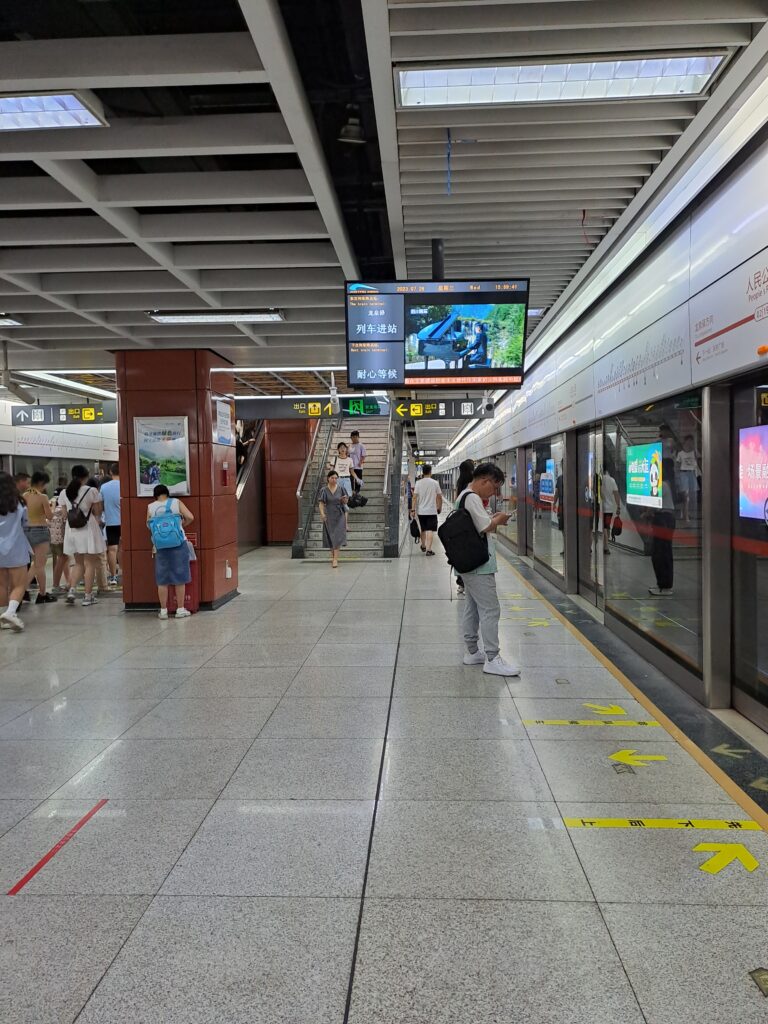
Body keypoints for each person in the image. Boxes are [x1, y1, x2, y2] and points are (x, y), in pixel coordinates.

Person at [456, 463, 519, 676]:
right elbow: (484, 527)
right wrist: (499, 520)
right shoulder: (472, 497)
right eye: (494, 487)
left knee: (472, 607)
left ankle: (473, 651)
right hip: (478, 564)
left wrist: (493, 519)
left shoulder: (463, 495)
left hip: (467, 562)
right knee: (491, 609)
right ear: (485, 480)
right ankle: (492, 657)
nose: (494, 492)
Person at [58, 465, 106, 607]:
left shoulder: (64, 492)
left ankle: (72, 590)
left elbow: (64, 514)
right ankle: (87, 596)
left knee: (78, 563)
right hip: (87, 529)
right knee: (89, 563)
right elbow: (97, 512)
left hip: (72, 530)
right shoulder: (91, 491)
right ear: (86, 476)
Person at [147, 484, 194, 619]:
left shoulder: (151, 507)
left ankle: (163, 611)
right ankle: (180, 609)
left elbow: (148, 525)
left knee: (162, 579)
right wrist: (180, 525)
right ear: (167, 493)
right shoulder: (176, 502)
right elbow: (190, 517)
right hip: (179, 543)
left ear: (155, 495)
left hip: (160, 546)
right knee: (180, 576)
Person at [0, 471, 33, 630]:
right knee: (19, 584)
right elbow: (25, 524)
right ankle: (10, 612)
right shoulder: (19, 503)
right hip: (15, 547)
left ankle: (1, 615)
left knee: (1, 584)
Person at [23, 471, 56, 603]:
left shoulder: (24, 495)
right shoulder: (42, 497)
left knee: (35, 564)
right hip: (40, 530)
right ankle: (32, 592)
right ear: (41, 483)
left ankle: (37, 592)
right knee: (39, 565)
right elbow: (50, 516)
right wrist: (52, 506)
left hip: (27, 531)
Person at [649, 457, 676, 597]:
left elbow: (653, 502)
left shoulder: (662, 485)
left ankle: (665, 586)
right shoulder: (666, 484)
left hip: (664, 519)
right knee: (658, 553)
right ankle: (662, 583)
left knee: (662, 553)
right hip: (664, 518)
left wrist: (646, 511)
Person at [318, 469, 348, 569]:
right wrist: (322, 514)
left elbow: (345, 501)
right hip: (329, 515)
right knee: (330, 537)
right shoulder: (324, 490)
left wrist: (344, 500)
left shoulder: (341, 488)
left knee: (337, 537)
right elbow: (321, 503)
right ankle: (333, 557)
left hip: (339, 515)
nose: (334, 480)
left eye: (336, 478)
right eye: (332, 478)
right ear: (328, 478)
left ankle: (335, 559)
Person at [454, 459, 475, 594]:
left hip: (460, 522)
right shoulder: (472, 484)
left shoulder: (459, 482)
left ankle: (461, 583)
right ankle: (468, 584)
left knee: (462, 554)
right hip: (470, 523)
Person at [411, 464, 443, 555]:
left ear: (423, 472)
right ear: (430, 472)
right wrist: (439, 507)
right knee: (430, 530)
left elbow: (414, 497)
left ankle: (423, 545)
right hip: (432, 511)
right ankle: (429, 550)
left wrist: (413, 510)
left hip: (421, 511)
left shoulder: (418, 483)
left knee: (423, 529)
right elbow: (439, 496)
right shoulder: (435, 483)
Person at [100, 463, 121, 585]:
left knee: (112, 549)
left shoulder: (104, 487)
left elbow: (100, 506)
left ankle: (113, 576)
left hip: (110, 522)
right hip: (125, 522)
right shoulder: (126, 485)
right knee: (124, 549)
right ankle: (125, 573)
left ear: (111, 473)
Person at [675, 434, 700, 526]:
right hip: (683, 473)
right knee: (686, 496)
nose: (690, 443)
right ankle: (686, 516)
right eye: (688, 441)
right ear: (685, 442)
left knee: (692, 495)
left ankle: (687, 513)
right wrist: (677, 476)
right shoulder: (680, 453)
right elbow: (677, 465)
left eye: (691, 441)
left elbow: (700, 459)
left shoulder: (694, 452)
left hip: (692, 473)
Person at [48, 490, 70, 596]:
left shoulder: (54, 509)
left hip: (54, 539)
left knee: (63, 560)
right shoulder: (63, 509)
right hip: (62, 538)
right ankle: (56, 585)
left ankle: (68, 582)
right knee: (63, 560)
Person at [601, 463, 620, 554]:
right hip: (609, 509)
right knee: (607, 527)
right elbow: (616, 494)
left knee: (604, 527)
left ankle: (606, 546)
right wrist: (618, 506)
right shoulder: (612, 480)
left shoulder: (600, 479)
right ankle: (606, 545)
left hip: (602, 508)